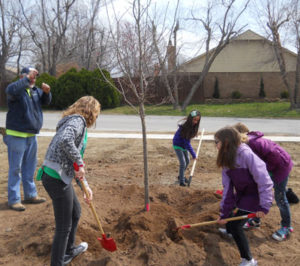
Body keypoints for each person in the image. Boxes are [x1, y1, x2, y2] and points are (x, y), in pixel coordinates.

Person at [39, 96, 100, 266]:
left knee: (75, 212)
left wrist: (85, 187)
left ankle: (69, 250)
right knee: (63, 226)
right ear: (91, 113)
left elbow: (74, 163)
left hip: (57, 176)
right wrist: (80, 163)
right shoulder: (77, 122)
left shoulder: (72, 122)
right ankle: (57, 262)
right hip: (55, 178)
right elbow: (66, 140)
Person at [215, 127, 273, 266]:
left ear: (227, 141)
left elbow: (264, 180)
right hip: (243, 193)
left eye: (216, 141)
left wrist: (263, 206)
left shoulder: (247, 155)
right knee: (232, 210)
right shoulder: (226, 159)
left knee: (236, 226)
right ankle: (229, 231)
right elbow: (228, 189)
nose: (215, 145)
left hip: (255, 195)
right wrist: (224, 213)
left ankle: (248, 260)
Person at [233, 122, 294, 241]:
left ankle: (286, 227)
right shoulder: (245, 146)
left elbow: (275, 158)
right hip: (270, 169)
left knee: (280, 197)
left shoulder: (256, 143)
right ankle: (256, 219)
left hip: (280, 168)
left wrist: (264, 172)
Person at [4, 66, 52, 211]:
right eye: (30, 76)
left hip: (31, 135)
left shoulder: (35, 91)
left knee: (30, 167)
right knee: (15, 169)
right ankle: (14, 199)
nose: (33, 78)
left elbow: (46, 102)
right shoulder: (15, 90)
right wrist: (27, 79)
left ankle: (30, 195)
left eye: (34, 76)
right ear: (22, 77)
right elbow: (12, 90)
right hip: (16, 135)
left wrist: (47, 93)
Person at [172, 110, 201, 186]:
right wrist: (194, 155)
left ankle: (180, 176)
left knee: (187, 161)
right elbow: (187, 143)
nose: (196, 122)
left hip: (184, 145)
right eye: (194, 120)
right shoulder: (185, 127)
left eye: (197, 120)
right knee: (183, 163)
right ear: (190, 119)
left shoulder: (193, 126)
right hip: (178, 144)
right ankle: (181, 181)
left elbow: (187, 143)